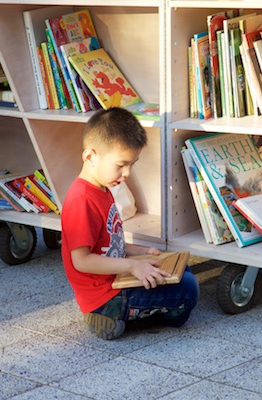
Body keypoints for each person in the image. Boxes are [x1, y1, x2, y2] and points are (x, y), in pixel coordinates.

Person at [61, 107, 199, 340]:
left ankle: (130, 311)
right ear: (90, 156)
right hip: (105, 295)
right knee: (188, 290)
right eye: (121, 164)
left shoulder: (104, 187)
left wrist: (142, 253)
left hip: (117, 279)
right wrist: (132, 266)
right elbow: (81, 261)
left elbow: (109, 242)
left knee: (182, 270)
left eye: (132, 164)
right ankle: (105, 316)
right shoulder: (80, 200)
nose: (127, 173)